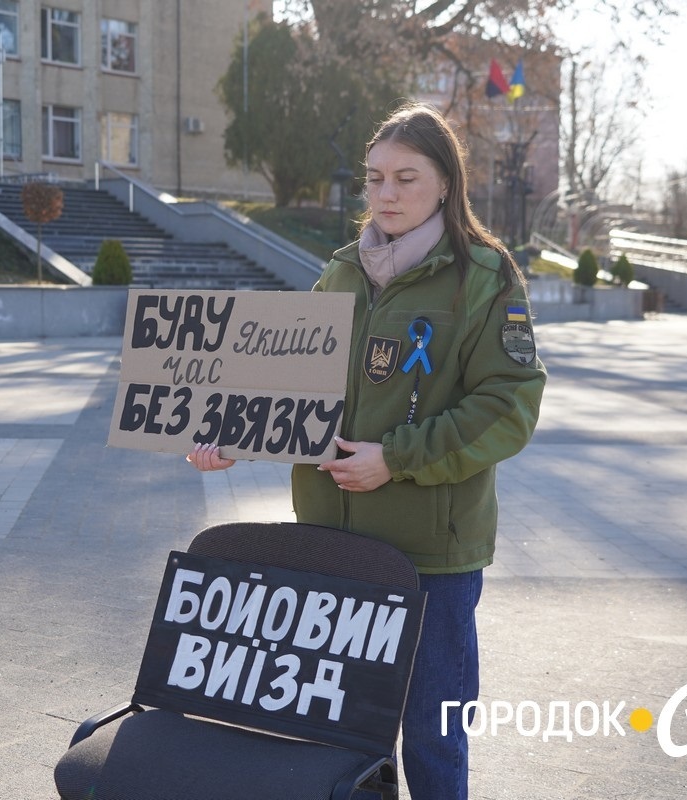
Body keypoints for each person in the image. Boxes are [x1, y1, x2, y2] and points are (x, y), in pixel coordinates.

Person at [188, 100, 547, 799]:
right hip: (334, 547)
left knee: (433, 735)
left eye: (406, 178)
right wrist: (235, 431)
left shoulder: (484, 277)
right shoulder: (344, 270)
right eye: (375, 177)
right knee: (344, 735)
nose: (386, 193)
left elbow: (508, 407)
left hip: (431, 559)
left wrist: (398, 456)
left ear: (445, 183)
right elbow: (298, 382)